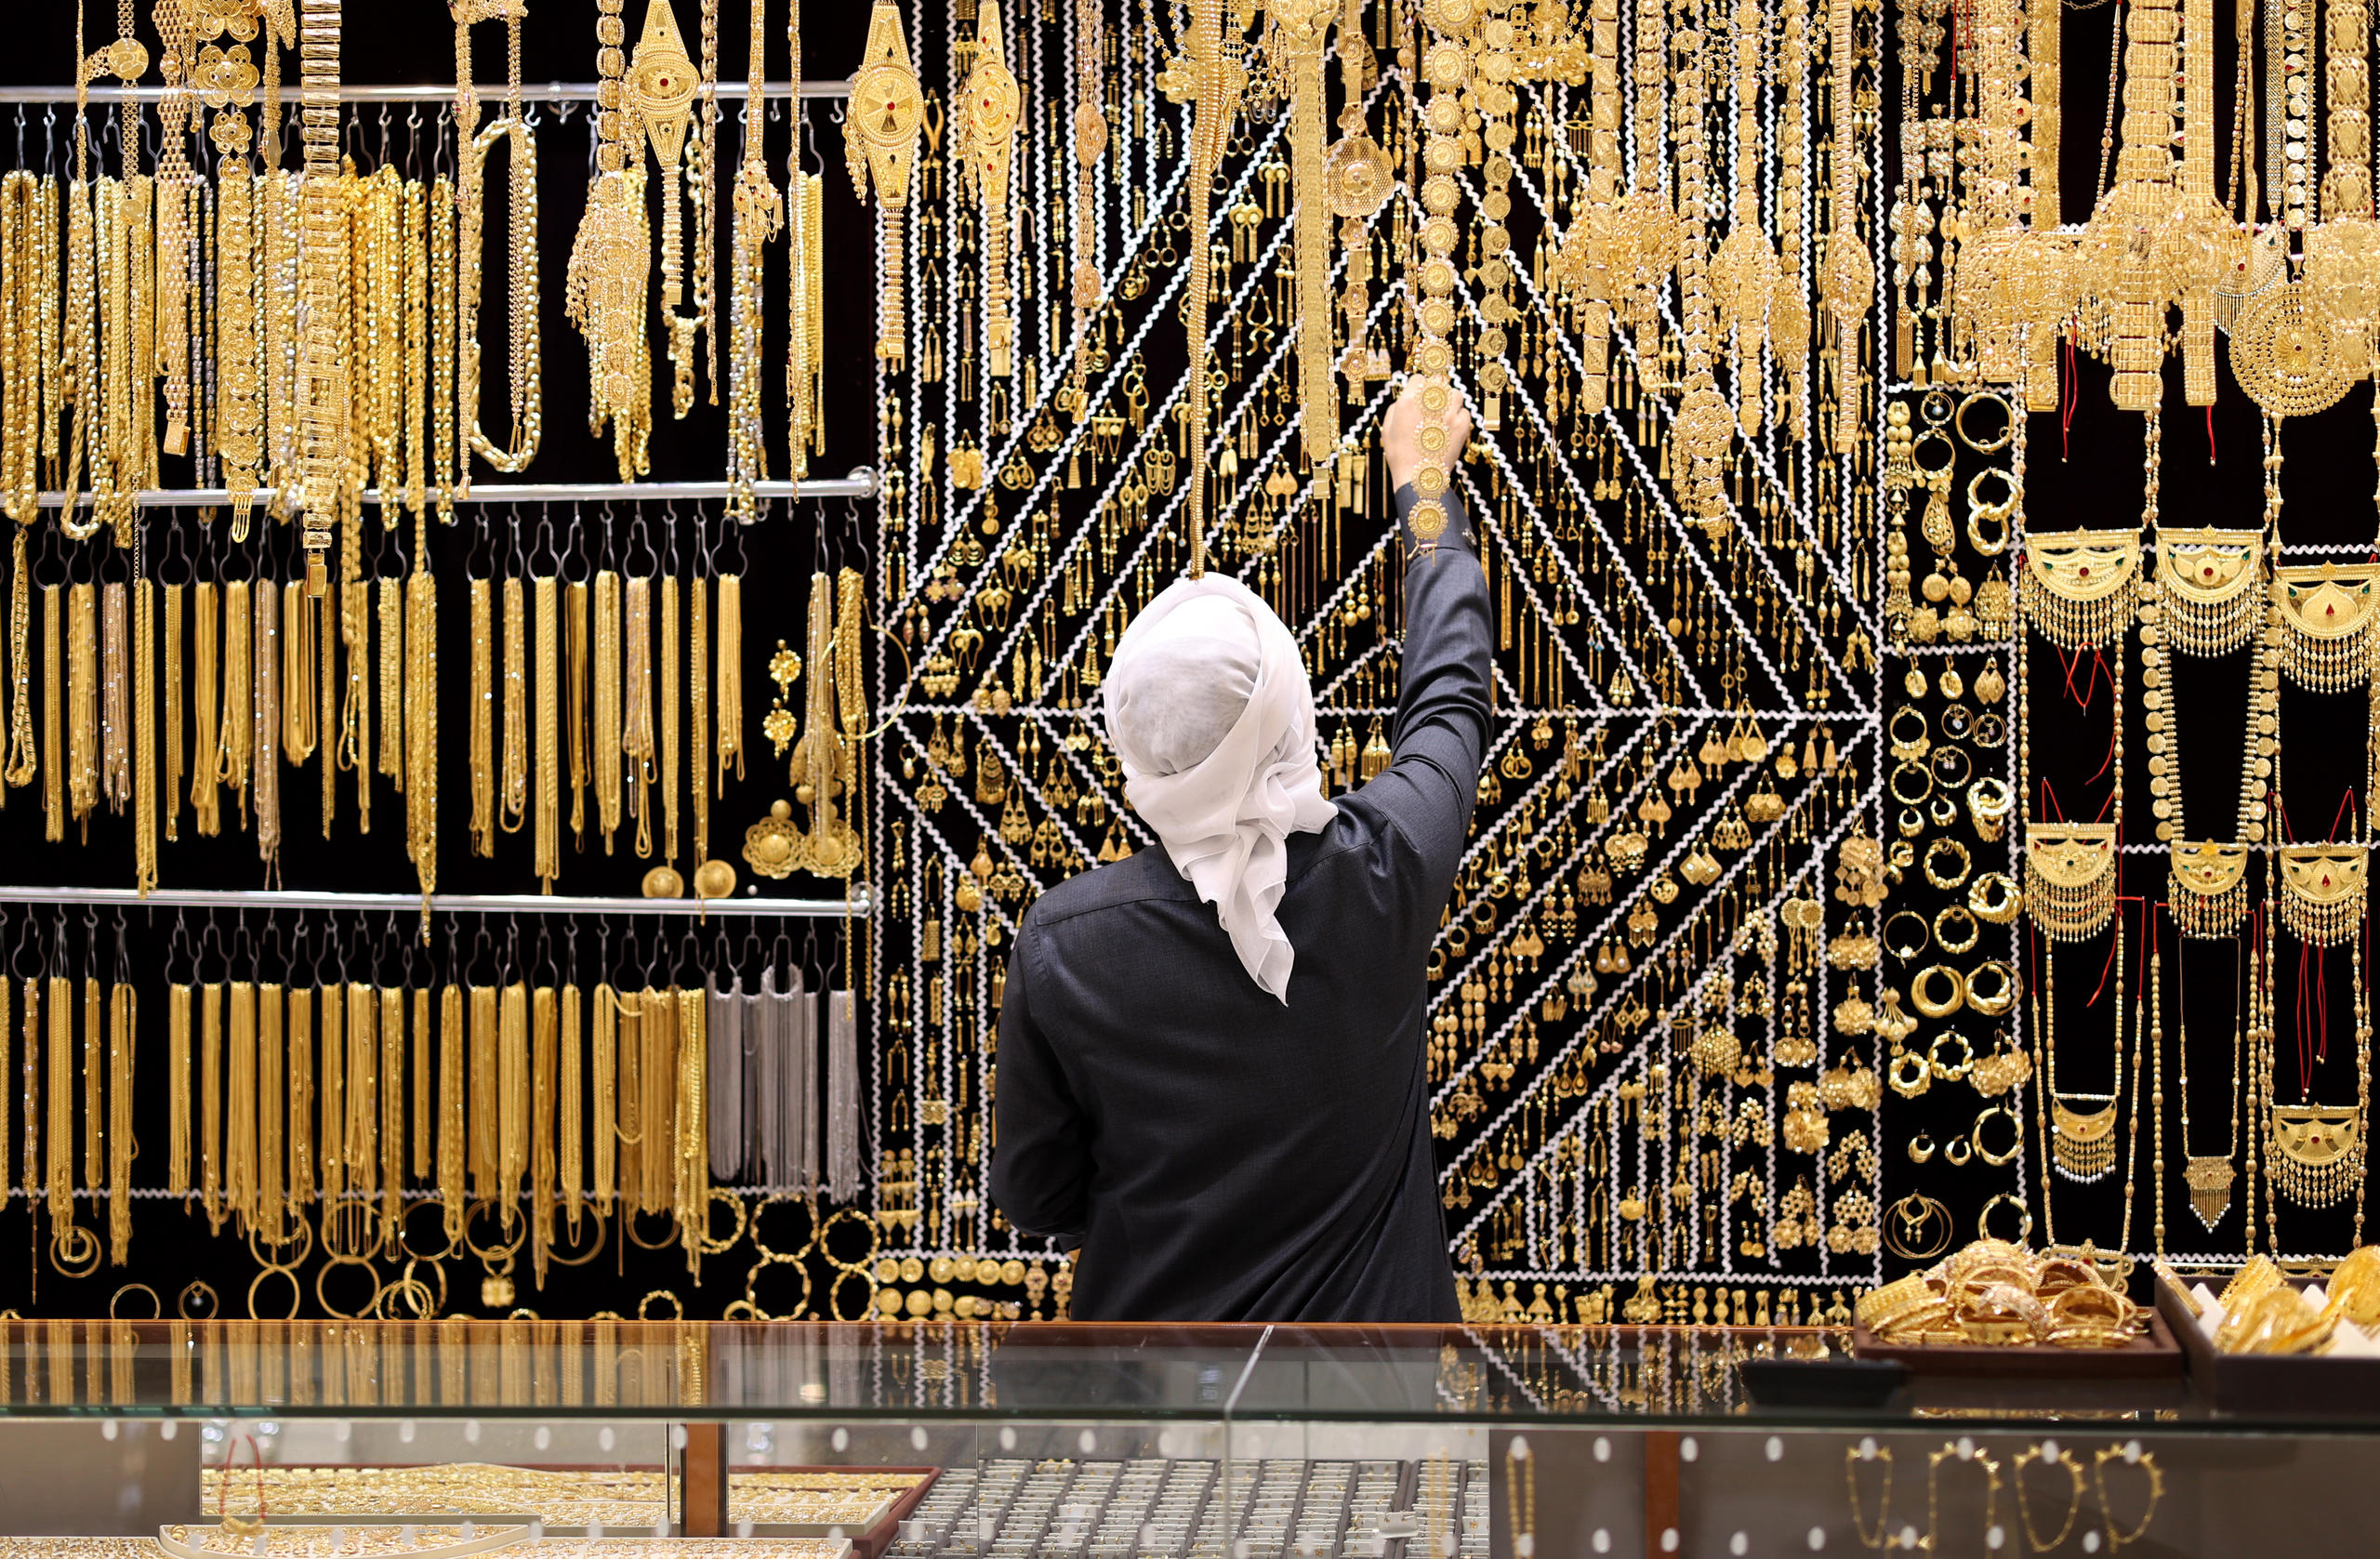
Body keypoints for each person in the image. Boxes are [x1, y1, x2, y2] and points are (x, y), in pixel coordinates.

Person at [988, 377, 1490, 1322]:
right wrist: (1424, 485)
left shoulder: (1063, 942)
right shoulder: (1380, 876)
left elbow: (1036, 1198)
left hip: (1149, 1424)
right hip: (1368, 1429)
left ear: (1133, 745)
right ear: (1288, 716)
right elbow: (1450, 696)